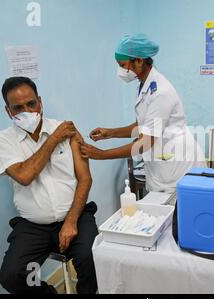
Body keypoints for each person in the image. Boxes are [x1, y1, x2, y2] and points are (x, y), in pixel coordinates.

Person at [0, 77, 98, 293]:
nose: (27, 111)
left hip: (75, 214)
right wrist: (52, 140)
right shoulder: (3, 141)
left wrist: (71, 221)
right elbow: (24, 176)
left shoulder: (66, 130)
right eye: (18, 108)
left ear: (40, 101)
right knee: (12, 276)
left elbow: (85, 179)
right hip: (33, 226)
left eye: (31, 104)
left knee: (91, 258)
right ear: (8, 111)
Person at [80, 34, 206, 192]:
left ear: (139, 61)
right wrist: (111, 133)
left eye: (123, 64)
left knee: (178, 213)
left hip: (179, 168)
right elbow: (144, 125)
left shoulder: (160, 92)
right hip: (163, 164)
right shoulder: (144, 85)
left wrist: (102, 154)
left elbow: (146, 141)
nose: (121, 70)